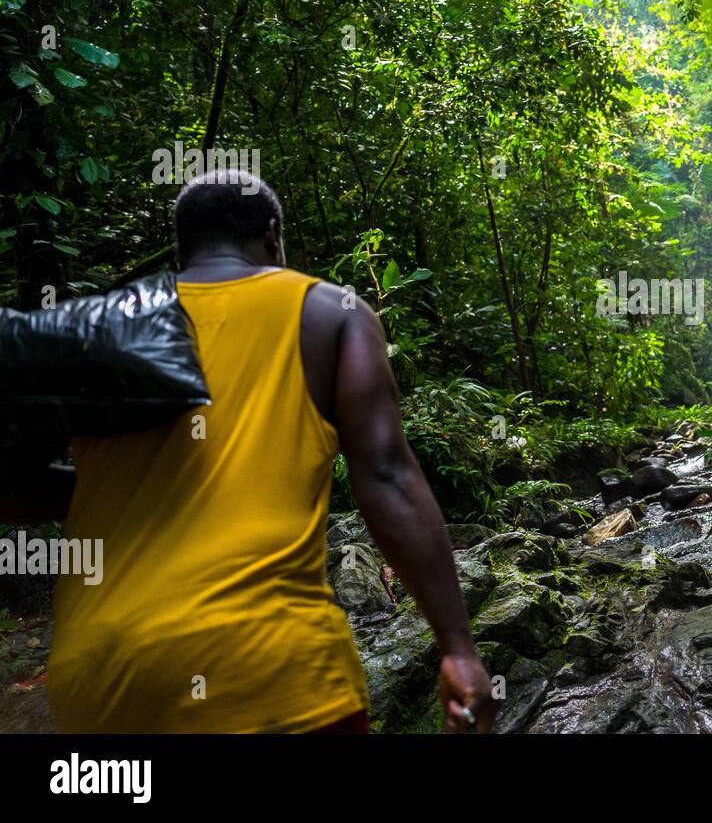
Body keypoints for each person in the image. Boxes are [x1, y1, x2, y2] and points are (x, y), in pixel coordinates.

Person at [0, 169, 494, 733]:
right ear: (273, 236)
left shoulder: (105, 326)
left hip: (101, 675)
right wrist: (457, 647)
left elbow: (13, 492)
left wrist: (121, 487)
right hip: (269, 667)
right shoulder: (332, 313)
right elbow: (386, 476)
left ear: (181, 251)